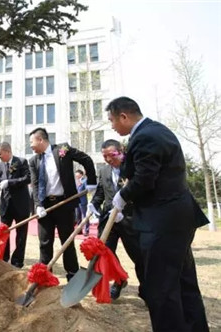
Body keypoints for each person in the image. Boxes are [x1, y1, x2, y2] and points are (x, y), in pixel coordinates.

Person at [107, 96, 209, 331]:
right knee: (183, 282)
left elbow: (144, 178)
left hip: (163, 220)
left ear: (124, 116)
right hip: (175, 218)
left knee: (161, 288)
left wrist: (123, 196)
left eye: (113, 120)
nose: (112, 126)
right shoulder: (155, 131)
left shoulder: (146, 136)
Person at [28, 127, 97, 281]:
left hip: (64, 204)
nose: (30, 146)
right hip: (45, 206)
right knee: (45, 242)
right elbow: (35, 183)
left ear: (41, 140)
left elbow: (85, 159)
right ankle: (45, 275)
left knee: (67, 241)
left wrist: (91, 181)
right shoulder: (33, 160)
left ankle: (72, 275)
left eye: (31, 142)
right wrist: (38, 205)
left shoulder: (62, 149)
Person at [88, 139, 145, 301]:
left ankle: (146, 290)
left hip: (130, 219)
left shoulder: (133, 168)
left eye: (112, 155)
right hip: (108, 220)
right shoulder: (104, 170)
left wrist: (125, 211)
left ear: (121, 151)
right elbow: (101, 192)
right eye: (105, 156)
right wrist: (93, 204)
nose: (108, 159)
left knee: (138, 256)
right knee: (106, 253)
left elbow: (141, 190)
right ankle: (119, 280)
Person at [0, 142, 31, 268]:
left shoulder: (22, 162)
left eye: (0, 154)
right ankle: (4, 257)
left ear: (8, 151)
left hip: (21, 205)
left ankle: (17, 261)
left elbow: (27, 178)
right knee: (3, 232)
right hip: (5, 205)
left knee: (21, 234)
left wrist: (10, 182)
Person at [74, 169, 89, 236]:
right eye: (75, 174)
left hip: (83, 201)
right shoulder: (75, 181)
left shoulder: (84, 180)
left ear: (81, 174)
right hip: (76, 201)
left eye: (77, 174)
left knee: (84, 215)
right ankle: (79, 230)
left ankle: (86, 230)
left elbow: (87, 190)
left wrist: (80, 193)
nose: (76, 175)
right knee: (78, 216)